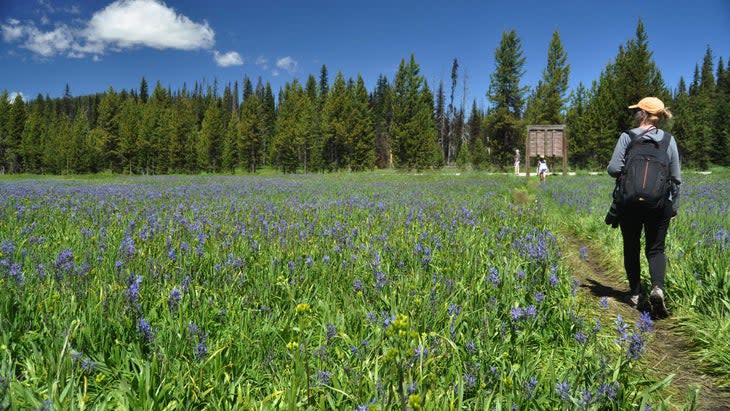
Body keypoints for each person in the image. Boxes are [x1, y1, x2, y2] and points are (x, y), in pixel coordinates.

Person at [607, 96, 681, 317]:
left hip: (629, 202)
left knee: (631, 245)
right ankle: (657, 288)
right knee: (656, 249)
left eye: (636, 111)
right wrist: (673, 207)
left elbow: (613, 168)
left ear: (642, 114)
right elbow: (676, 178)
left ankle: (636, 293)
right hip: (659, 204)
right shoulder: (669, 140)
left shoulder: (627, 136)